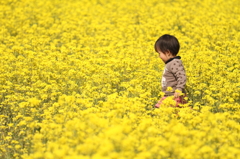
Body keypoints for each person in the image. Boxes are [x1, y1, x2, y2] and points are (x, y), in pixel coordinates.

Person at [154, 34, 187, 108]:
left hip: (174, 96)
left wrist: (179, 89)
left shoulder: (175, 63)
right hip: (169, 95)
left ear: (168, 52)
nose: (159, 56)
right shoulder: (171, 63)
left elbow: (182, 76)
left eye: (160, 53)